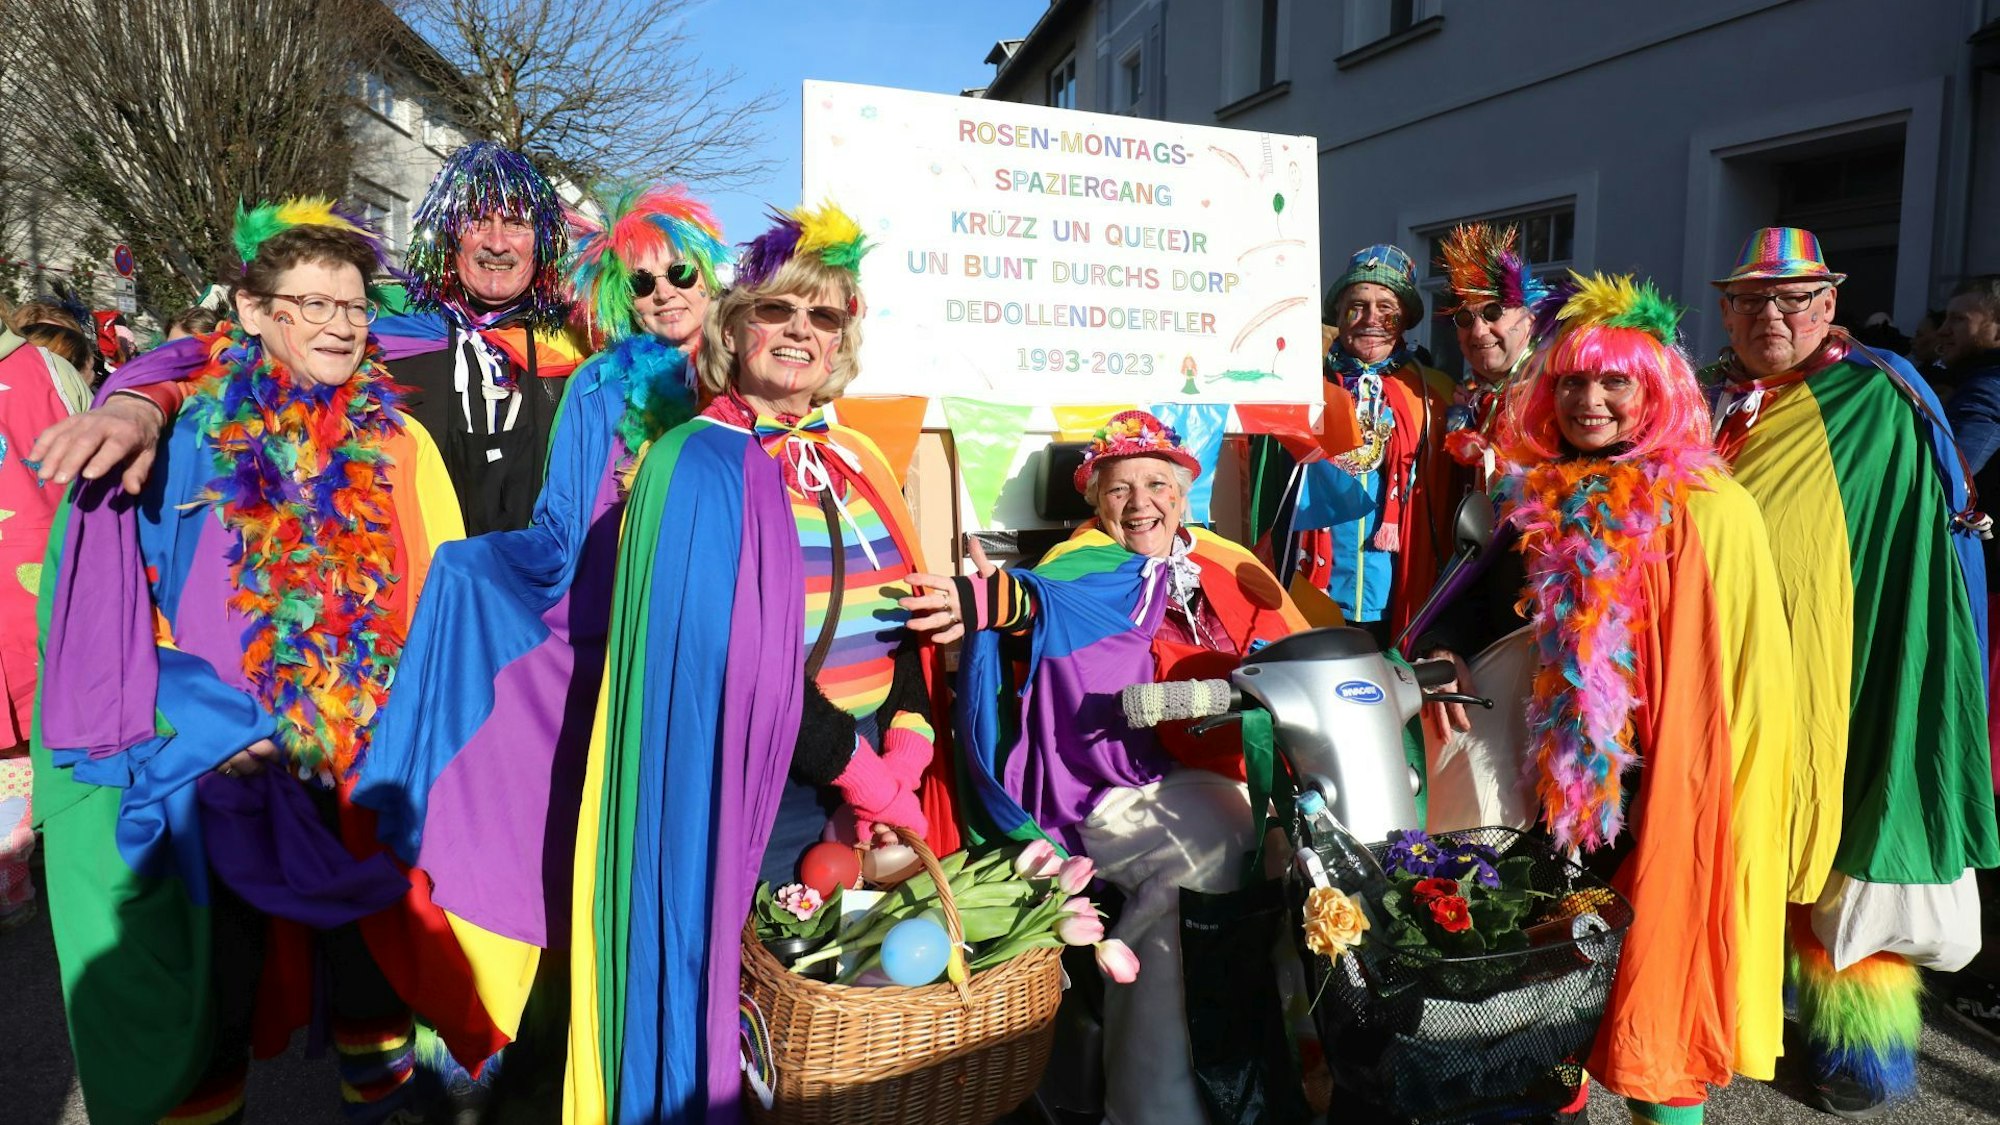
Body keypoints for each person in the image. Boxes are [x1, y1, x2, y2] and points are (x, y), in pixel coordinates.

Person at [29, 201, 507, 1124]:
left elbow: (442, 588)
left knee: (375, 982)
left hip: (362, 768)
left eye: (355, 306)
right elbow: (119, 614)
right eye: (312, 303)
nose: (339, 323)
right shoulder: (186, 440)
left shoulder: (399, 441)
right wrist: (212, 728)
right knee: (219, 1001)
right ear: (250, 312)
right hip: (226, 770)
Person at [560, 203, 954, 1123]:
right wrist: (861, 772)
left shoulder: (855, 456)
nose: (800, 333)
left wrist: (906, 732)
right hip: (755, 780)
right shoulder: (693, 462)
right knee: (756, 1010)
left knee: (845, 1014)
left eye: (823, 318)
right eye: (779, 311)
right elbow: (727, 664)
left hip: (858, 770)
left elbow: (897, 612)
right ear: (736, 329)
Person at [349, 184, 731, 1114]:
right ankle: (505, 1016)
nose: (664, 294)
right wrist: (481, 567)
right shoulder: (601, 382)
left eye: (681, 273)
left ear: (710, 277)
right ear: (617, 299)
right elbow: (561, 523)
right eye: (640, 285)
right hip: (599, 635)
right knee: (549, 824)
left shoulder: (742, 372)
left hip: (711, 643)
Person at [1420, 274, 1794, 1123]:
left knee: (1653, 973)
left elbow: (1735, 674)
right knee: (1547, 974)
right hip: (1535, 778)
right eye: (1573, 382)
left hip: (1658, 781)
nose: (1590, 400)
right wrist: (1440, 654)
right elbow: (1465, 611)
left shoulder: (1711, 509)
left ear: (1652, 390)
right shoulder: (1528, 493)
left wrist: (1690, 781)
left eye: (1614, 382)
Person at [904, 410, 1309, 1125]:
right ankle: (1155, 1103)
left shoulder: (1220, 555)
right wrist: (985, 598)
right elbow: (1039, 600)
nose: (1140, 502)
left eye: (1157, 483)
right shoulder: (1084, 561)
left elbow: (1300, 641)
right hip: (1110, 779)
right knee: (1200, 866)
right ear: (1096, 501)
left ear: (1186, 494)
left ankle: (1273, 1064)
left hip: (1234, 769)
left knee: (1305, 852)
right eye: (1119, 488)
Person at [1706, 227, 1997, 1117]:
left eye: (1792, 299)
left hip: (1855, 660)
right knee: (1753, 828)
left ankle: (1860, 1051)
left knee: (1854, 833)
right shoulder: (1719, 400)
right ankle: (1760, 1008)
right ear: (1726, 309)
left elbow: (1920, 554)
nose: (1771, 316)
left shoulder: (1882, 396)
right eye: (1752, 299)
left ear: (1828, 304)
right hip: (1742, 666)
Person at [27, 143, 587, 533]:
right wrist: (139, 403)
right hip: (413, 611)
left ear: (541, 240)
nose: (496, 242)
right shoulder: (380, 333)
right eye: (477, 222)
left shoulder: (583, 350)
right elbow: (224, 353)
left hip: (542, 622)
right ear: (449, 239)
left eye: (515, 223)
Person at [1291, 244, 1449, 641]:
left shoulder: (1432, 393)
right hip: (1315, 585)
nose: (1370, 319)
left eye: (1385, 307)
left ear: (1406, 318)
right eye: (1356, 305)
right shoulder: (1303, 387)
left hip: (1396, 590)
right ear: (1339, 312)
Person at [0, 313, 84, 931]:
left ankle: (14, 872)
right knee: (25, 741)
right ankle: (16, 877)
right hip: (33, 586)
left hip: (30, 587)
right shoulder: (44, 370)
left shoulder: (41, 369)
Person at [1932, 272, 2000, 1045]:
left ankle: (1981, 973)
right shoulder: (1972, 378)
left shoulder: (1985, 388)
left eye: (1959, 318)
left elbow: (1951, 478)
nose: (1945, 328)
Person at [1435, 222, 1561, 492]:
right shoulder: (1470, 398)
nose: (1478, 332)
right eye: (1465, 318)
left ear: (1530, 318)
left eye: (1493, 313)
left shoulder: (1556, 395)